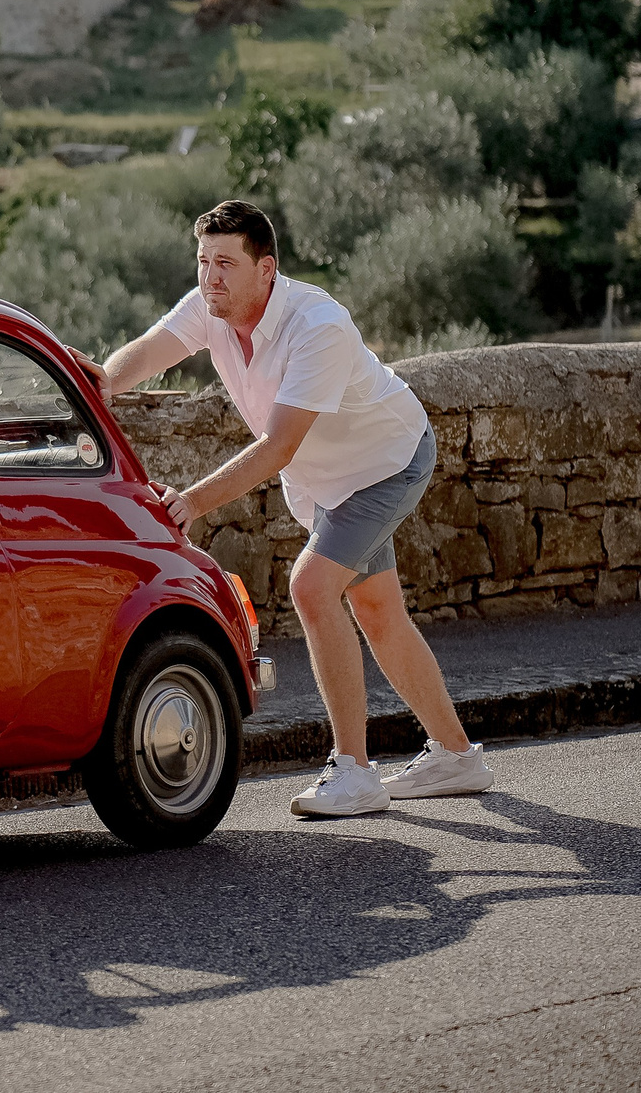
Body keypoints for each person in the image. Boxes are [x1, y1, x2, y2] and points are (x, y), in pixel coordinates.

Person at [101, 199, 494, 817]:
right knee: (378, 612)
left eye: (225, 263)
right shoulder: (211, 306)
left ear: (267, 269)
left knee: (311, 587)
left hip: (387, 463)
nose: (210, 276)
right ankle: (457, 756)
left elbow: (279, 446)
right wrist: (101, 382)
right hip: (332, 481)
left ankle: (354, 773)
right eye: (203, 261)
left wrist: (193, 501)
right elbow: (149, 351)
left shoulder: (318, 325)